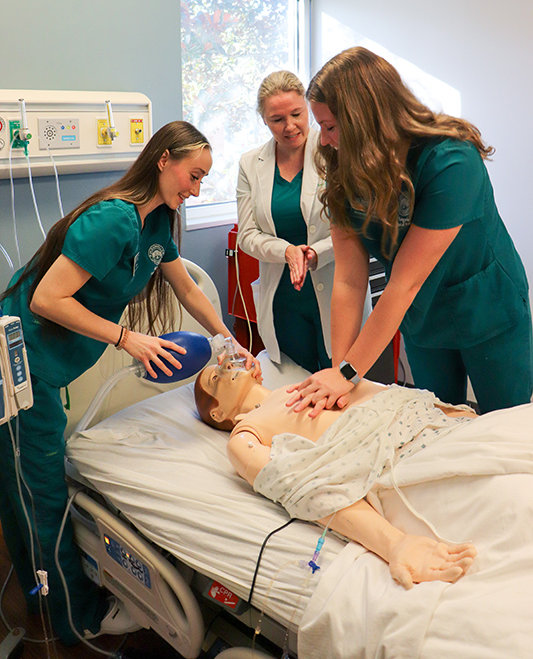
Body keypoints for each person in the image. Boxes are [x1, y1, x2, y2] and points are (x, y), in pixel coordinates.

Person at [0, 120, 259, 645]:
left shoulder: (159, 222)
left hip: (49, 362)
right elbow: (47, 300)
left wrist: (228, 339)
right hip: (24, 358)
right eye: (193, 175)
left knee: (22, 481)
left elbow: (186, 287)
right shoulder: (113, 220)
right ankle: (76, 619)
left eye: (203, 180)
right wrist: (128, 339)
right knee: (40, 490)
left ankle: (37, 592)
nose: (196, 188)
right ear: (163, 159)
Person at [287, 46, 532, 416]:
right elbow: (350, 281)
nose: (322, 140)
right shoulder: (344, 169)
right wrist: (341, 371)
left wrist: (350, 373)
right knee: (431, 425)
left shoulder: (451, 160)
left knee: (505, 431)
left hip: (487, 312)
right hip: (422, 319)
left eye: (330, 126)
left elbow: (405, 282)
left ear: (364, 119)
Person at [194, 362, 478, 589]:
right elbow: (305, 486)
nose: (224, 369)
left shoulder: (300, 385)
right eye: (215, 380)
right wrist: (394, 544)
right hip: (411, 454)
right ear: (217, 414)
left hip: (452, 422)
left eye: (223, 366)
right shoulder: (246, 434)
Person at [236, 70, 372, 373]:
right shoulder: (250, 164)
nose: (290, 126)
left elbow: (355, 226)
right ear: (264, 121)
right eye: (277, 119)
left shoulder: (335, 151)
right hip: (285, 300)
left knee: (343, 384)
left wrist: (315, 253)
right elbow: (246, 235)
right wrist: (286, 251)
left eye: (297, 114)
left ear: (307, 109)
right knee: (297, 390)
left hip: (338, 289)